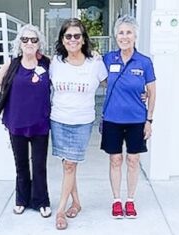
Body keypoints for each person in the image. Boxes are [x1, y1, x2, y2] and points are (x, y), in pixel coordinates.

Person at [50, 18, 108, 230]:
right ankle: (76, 203)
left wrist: (138, 93)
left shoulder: (95, 63)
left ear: (83, 39)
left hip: (82, 121)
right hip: (58, 119)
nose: (72, 40)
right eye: (68, 36)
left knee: (70, 164)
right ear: (62, 40)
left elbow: (112, 83)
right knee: (68, 164)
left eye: (77, 35)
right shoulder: (55, 62)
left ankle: (60, 211)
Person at [0, 24, 52, 218]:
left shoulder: (47, 64)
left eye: (33, 40)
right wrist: (4, 79)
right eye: (25, 39)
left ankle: (41, 201)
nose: (29, 43)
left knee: (39, 165)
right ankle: (21, 200)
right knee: (21, 164)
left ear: (39, 43)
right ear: (19, 43)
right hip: (16, 122)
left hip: (40, 123)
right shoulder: (13, 63)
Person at [100, 15, 156, 219]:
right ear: (116, 36)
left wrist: (149, 120)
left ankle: (130, 200)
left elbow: (152, 91)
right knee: (115, 160)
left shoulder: (145, 62)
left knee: (133, 161)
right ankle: (116, 200)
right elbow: (104, 81)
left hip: (136, 120)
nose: (124, 36)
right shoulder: (108, 59)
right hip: (112, 119)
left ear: (135, 36)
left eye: (128, 32)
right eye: (121, 32)